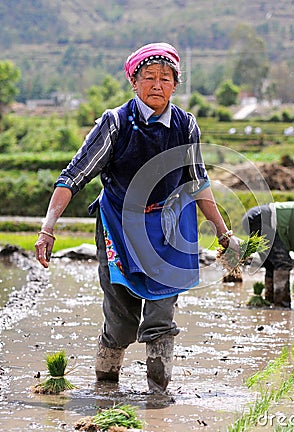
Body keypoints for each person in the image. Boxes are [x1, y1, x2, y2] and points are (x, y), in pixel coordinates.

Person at [35, 42, 240, 393]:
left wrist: (224, 234)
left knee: (161, 317)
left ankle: (158, 397)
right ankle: (105, 391)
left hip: (168, 228)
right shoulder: (115, 123)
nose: (157, 85)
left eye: (165, 78)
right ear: (134, 81)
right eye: (149, 77)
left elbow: (197, 181)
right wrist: (47, 228)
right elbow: (73, 176)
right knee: (122, 320)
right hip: (120, 225)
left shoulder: (186, 126)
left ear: (176, 84)